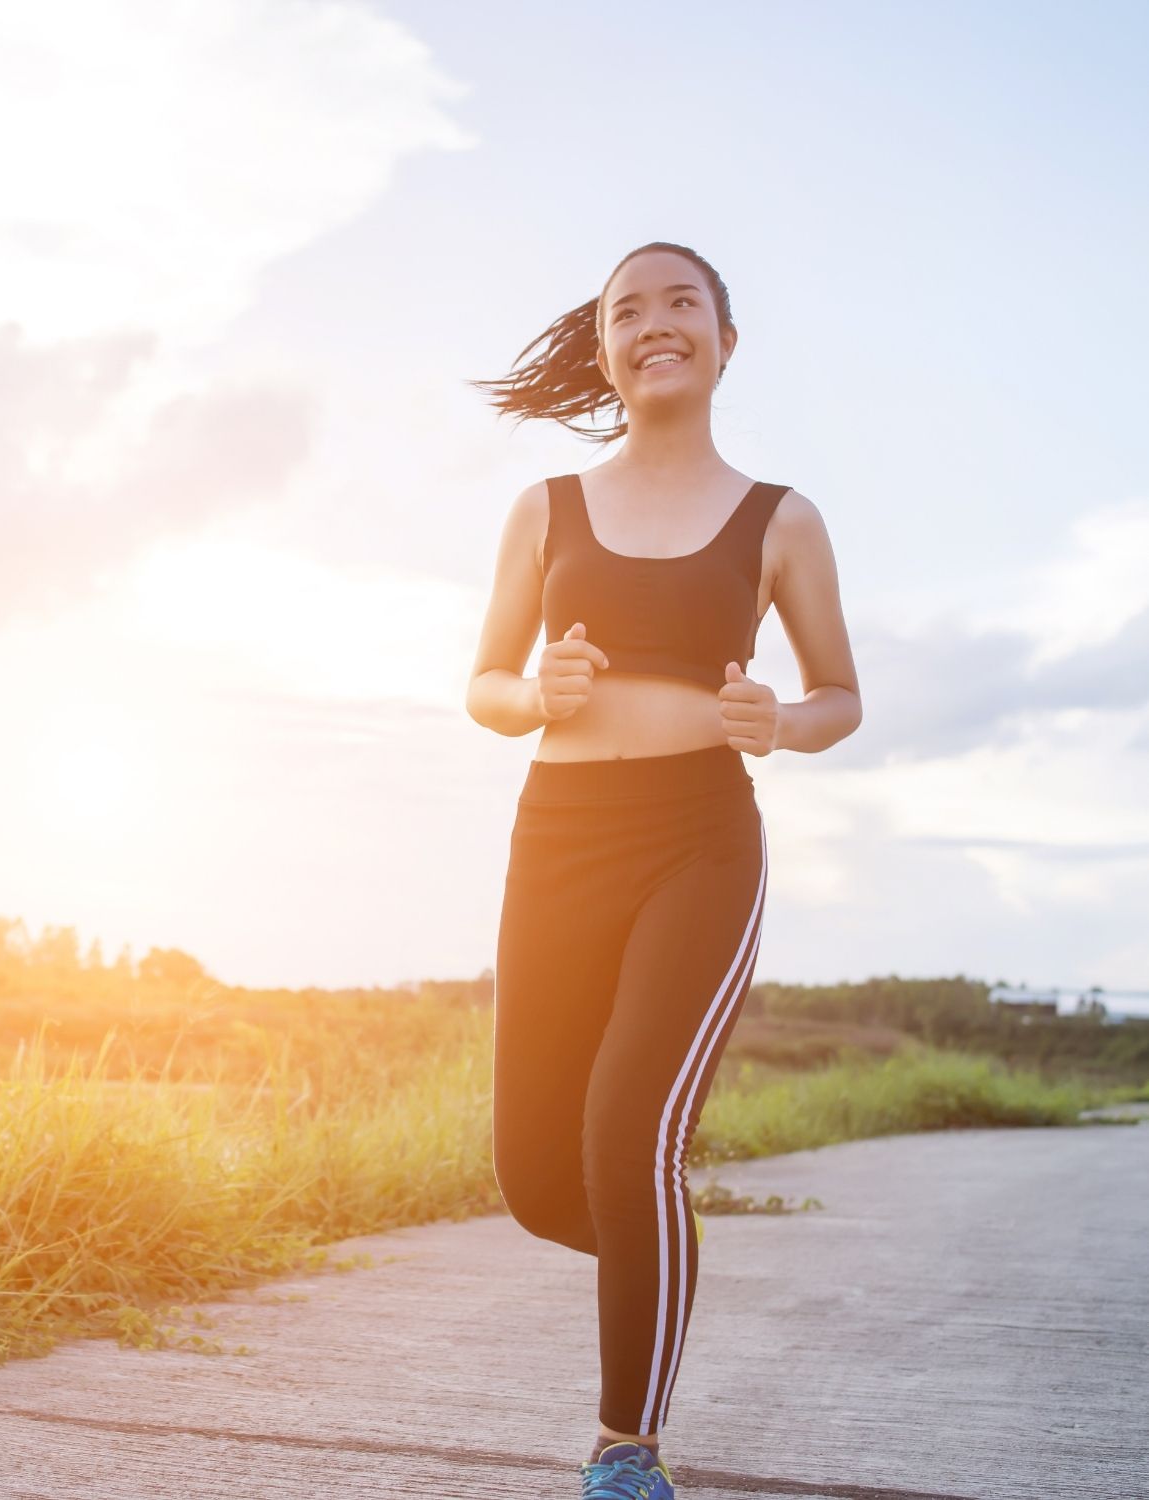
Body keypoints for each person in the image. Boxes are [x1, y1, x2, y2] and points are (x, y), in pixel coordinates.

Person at [464, 241, 862, 1498]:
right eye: (624, 311)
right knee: (539, 1175)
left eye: (678, 302)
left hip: (696, 836)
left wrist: (779, 724)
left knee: (627, 1133)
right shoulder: (544, 510)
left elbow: (839, 695)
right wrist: (536, 694)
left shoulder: (778, 519)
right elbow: (481, 687)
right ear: (604, 350)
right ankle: (659, 1243)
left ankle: (624, 1451)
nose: (653, 324)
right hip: (558, 839)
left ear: (724, 340)